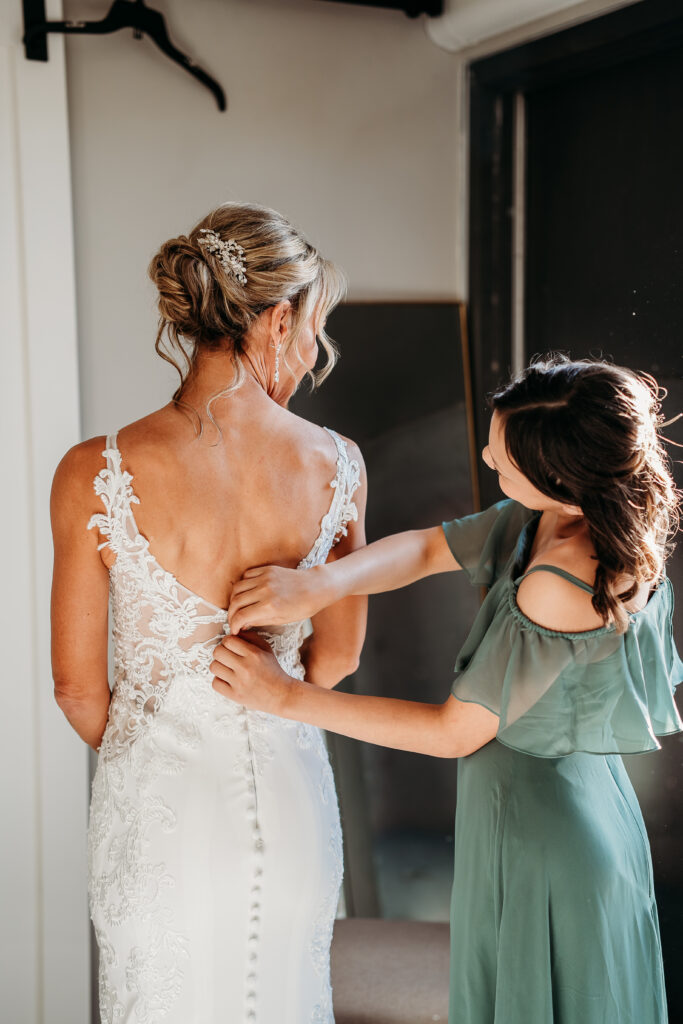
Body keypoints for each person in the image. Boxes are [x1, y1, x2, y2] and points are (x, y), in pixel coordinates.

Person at [212, 354, 683, 1024]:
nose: (489, 458)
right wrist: (318, 586)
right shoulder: (561, 512)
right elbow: (430, 548)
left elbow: (452, 732)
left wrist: (283, 697)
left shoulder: (560, 579)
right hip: (551, 804)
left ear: (556, 475)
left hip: (544, 830)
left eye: (501, 461)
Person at [49, 202, 368, 1024]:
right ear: (278, 316)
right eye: (309, 329)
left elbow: (78, 690)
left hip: (157, 807)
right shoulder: (337, 464)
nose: (308, 353)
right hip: (290, 790)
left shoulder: (94, 468)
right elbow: (335, 661)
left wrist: (156, 749)